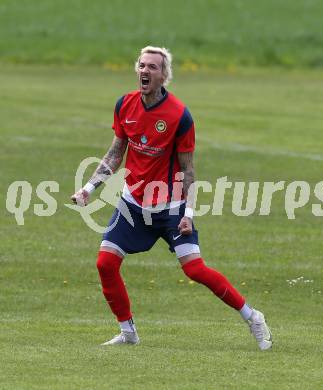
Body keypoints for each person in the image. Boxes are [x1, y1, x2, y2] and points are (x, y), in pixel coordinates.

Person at [71, 46, 272, 350]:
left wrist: (188, 213)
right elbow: (115, 154)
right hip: (133, 206)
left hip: (170, 206)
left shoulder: (180, 115)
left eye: (153, 67)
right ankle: (128, 332)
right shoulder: (124, 105)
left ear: (164, 76)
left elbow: (189, 170)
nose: (145, 71)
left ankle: (253, 317)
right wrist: (89, 188)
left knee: (194, 268)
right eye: (142, 65)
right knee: (105, 263)